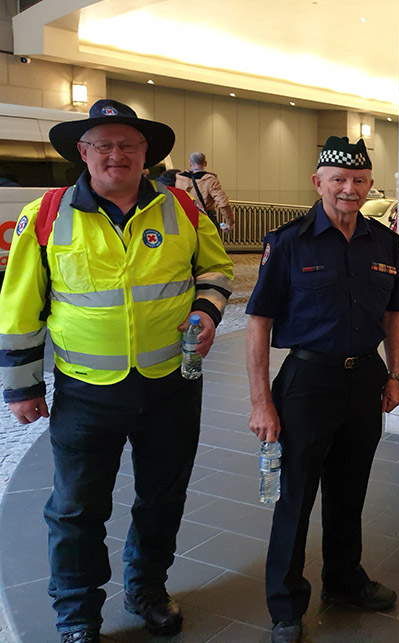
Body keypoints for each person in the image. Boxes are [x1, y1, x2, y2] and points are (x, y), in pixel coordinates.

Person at [0, 99, 233, 642]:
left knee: (161, 496)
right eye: (102, 144)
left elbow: (217, 269)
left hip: (171, 385)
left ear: (146, 152)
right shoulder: (48, 215)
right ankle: (77, 615)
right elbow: (19, 310)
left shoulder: (182, 209)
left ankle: (147, 588)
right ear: (82, 153)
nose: (116, 155)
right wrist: (23, 387)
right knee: (77, 509)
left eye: (128, 144)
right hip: (86, 393)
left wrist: (206, 310)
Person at [246, 136, 399, 643]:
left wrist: (393, 374)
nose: (349, 189)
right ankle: (286, 606)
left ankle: (343, 580)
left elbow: (392, 314)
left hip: (364, 378)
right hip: (307, 382)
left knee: (349, 489)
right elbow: (258, 321)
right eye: (338, 180)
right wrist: (261, 402)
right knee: (295, 496)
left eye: (359, 180)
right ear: (318, 183)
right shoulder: (289, 241)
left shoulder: (383, 241)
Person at [176, 151, 234, 233]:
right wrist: (229, 222)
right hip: (205, 220)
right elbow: (223, 202)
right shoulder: (210, 180)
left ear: (190, 163)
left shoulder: (179, 179)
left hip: (185, 220)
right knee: (210, 245)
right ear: (205, 163)